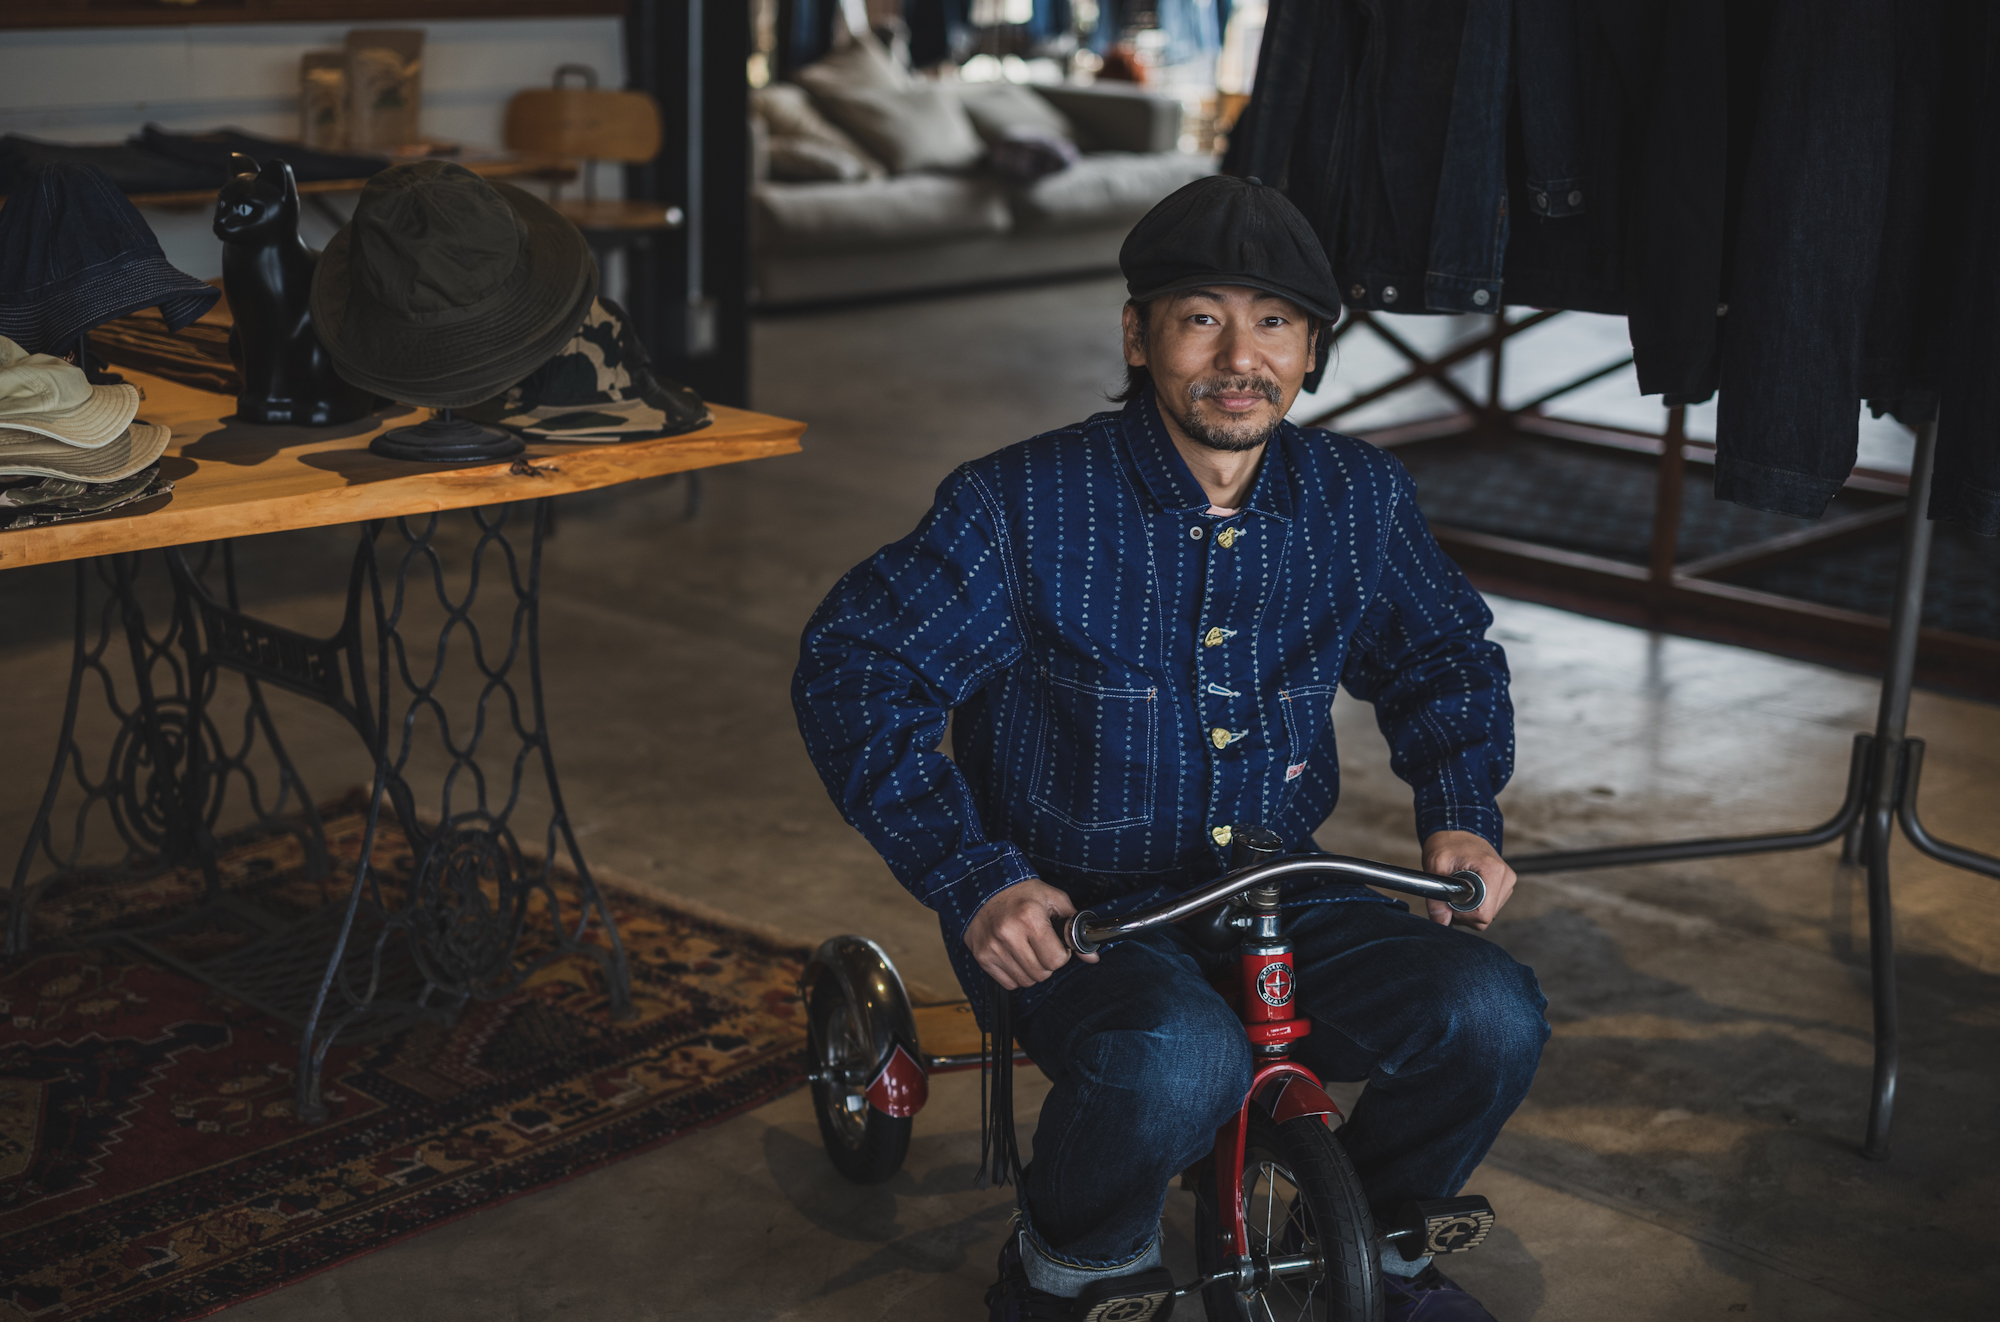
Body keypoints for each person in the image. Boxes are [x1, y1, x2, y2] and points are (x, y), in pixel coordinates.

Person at [793, 175, 1547, 1322]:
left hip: (1279, 890)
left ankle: (1371, 1246)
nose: (1239, 356)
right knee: (1177, 1056)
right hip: (1071, 915)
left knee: (1490, 1013)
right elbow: (855, 669)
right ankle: (1069, 1274)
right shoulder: (1020, 504)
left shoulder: (1356, 496)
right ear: (1136, 337)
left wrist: (1459, 809)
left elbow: (1439, 654)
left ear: (1311, 350)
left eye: (1274, 322)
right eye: (1201, 317)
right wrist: (973, 874)